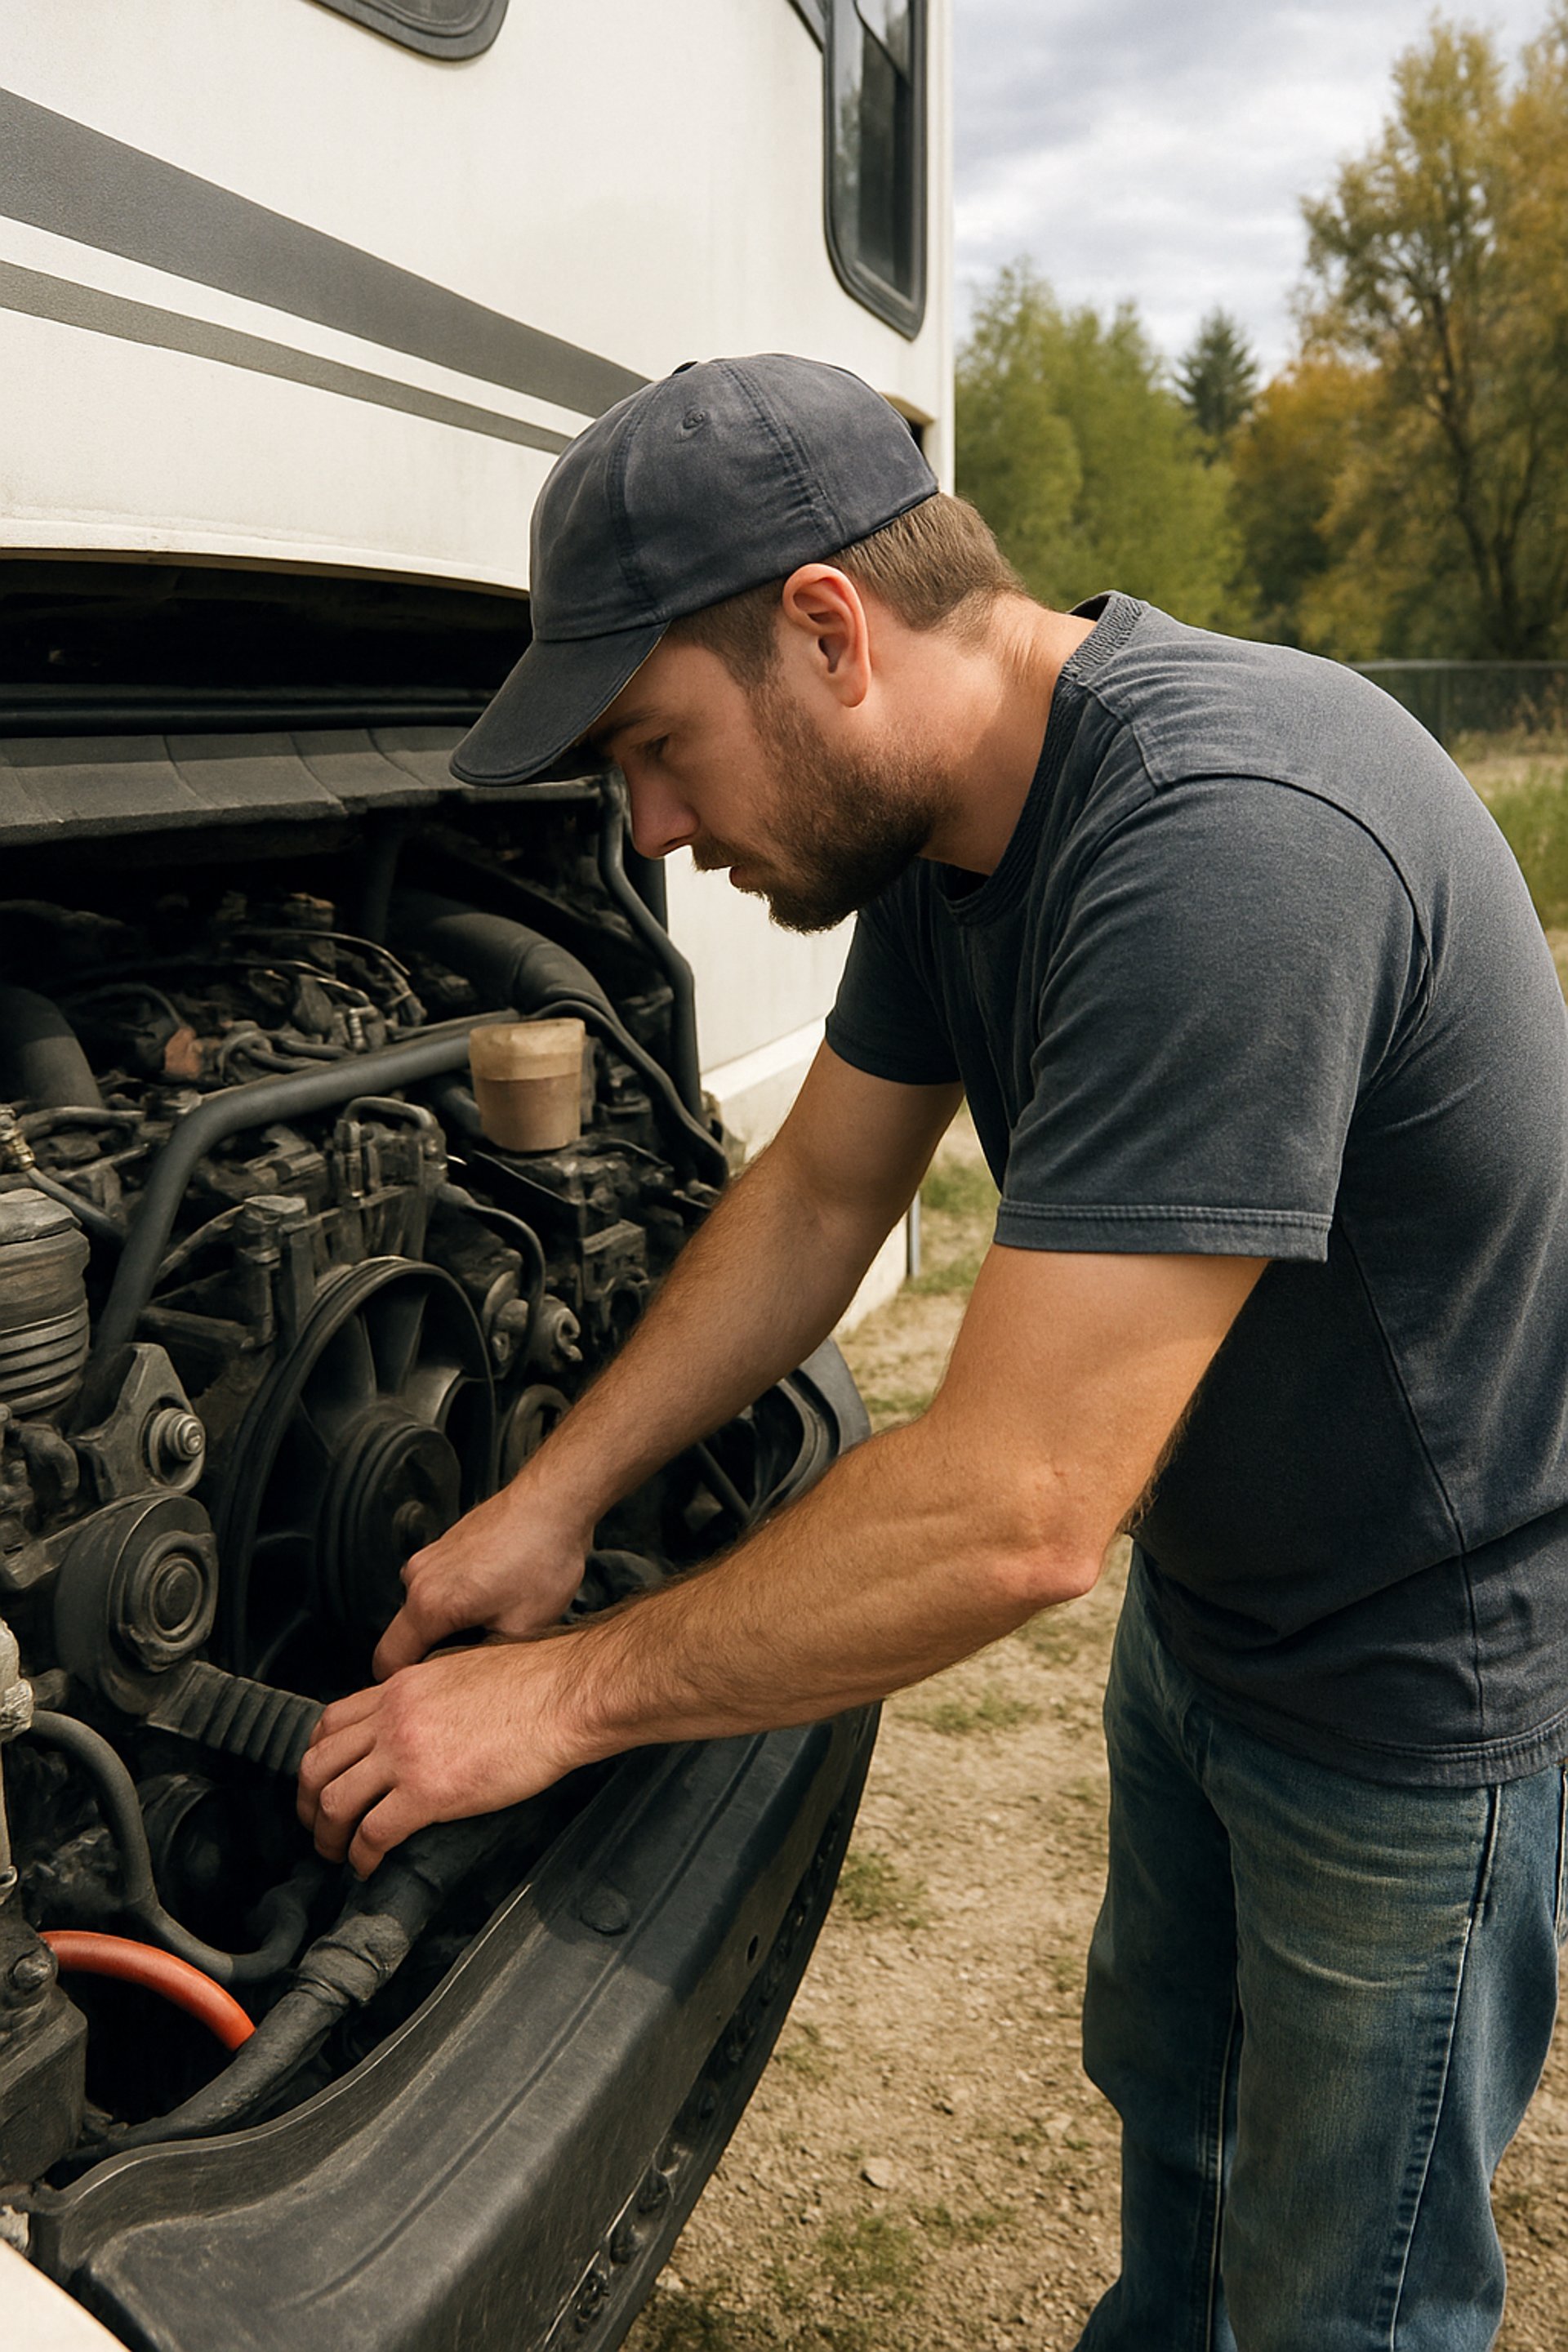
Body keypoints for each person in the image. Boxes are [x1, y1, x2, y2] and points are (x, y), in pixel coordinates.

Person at [296, 354, 1568, 2350]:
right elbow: (818, 1200)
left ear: (827, 631)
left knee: (1347, 2300)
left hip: (1414, 1677)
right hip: (1222, 1615)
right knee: (1193, 2172)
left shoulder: (1224, 839)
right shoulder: (955, 830)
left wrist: (558, 1703)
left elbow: (1018, 1511)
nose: (644, 827)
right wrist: (553, 1506)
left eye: (655, 744)